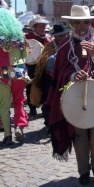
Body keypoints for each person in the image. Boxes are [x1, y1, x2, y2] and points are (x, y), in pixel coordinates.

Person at [46, 5, 94, 185]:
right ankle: (83, 170)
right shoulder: (66, 45)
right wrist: (74, 75)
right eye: (76, 22)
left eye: (85, 21)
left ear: (90, 21)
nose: (81, 26)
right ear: (71, 23)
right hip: (74, 99)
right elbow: (60, 73)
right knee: (80, 137)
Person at [31, 24, 70, 130]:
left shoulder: (70, 45)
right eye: (60, 36)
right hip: (50, 79)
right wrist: (60, 54)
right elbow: (47, 63)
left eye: (64, 35)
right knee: (49, 102)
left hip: (65, 78)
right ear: (55, 37)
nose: (63, 38)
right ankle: (49, 123)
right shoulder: (50, 46)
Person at [0, 7, 29, 143]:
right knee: (19, 100)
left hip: (3, 71)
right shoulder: (19, 36)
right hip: (18, 70)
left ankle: (7, 135)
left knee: (4, 105)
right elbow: (26, 55)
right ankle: (19, 126)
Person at [25, 15, 52, 116]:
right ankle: (32, 108)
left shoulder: (49, 38)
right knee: (31, 85)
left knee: (45, 85)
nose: (42, 28)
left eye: (43, 26)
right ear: (35, 27)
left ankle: (45, 106)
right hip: (32, 66)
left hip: (45, 66)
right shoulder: (28, 37)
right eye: (39, 26)